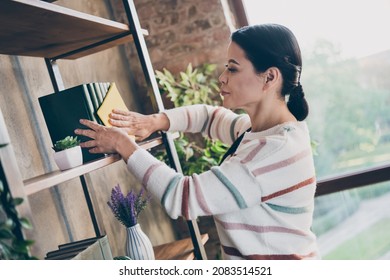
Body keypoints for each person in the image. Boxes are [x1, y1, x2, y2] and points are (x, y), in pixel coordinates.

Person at [75, 23, 319, 260]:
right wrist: (154, 122)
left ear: (269, 77)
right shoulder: (261, 132)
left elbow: (183, 198)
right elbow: (208, 117)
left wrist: (123, 145)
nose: (222, 77)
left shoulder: (273, 150)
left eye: (233, 69)